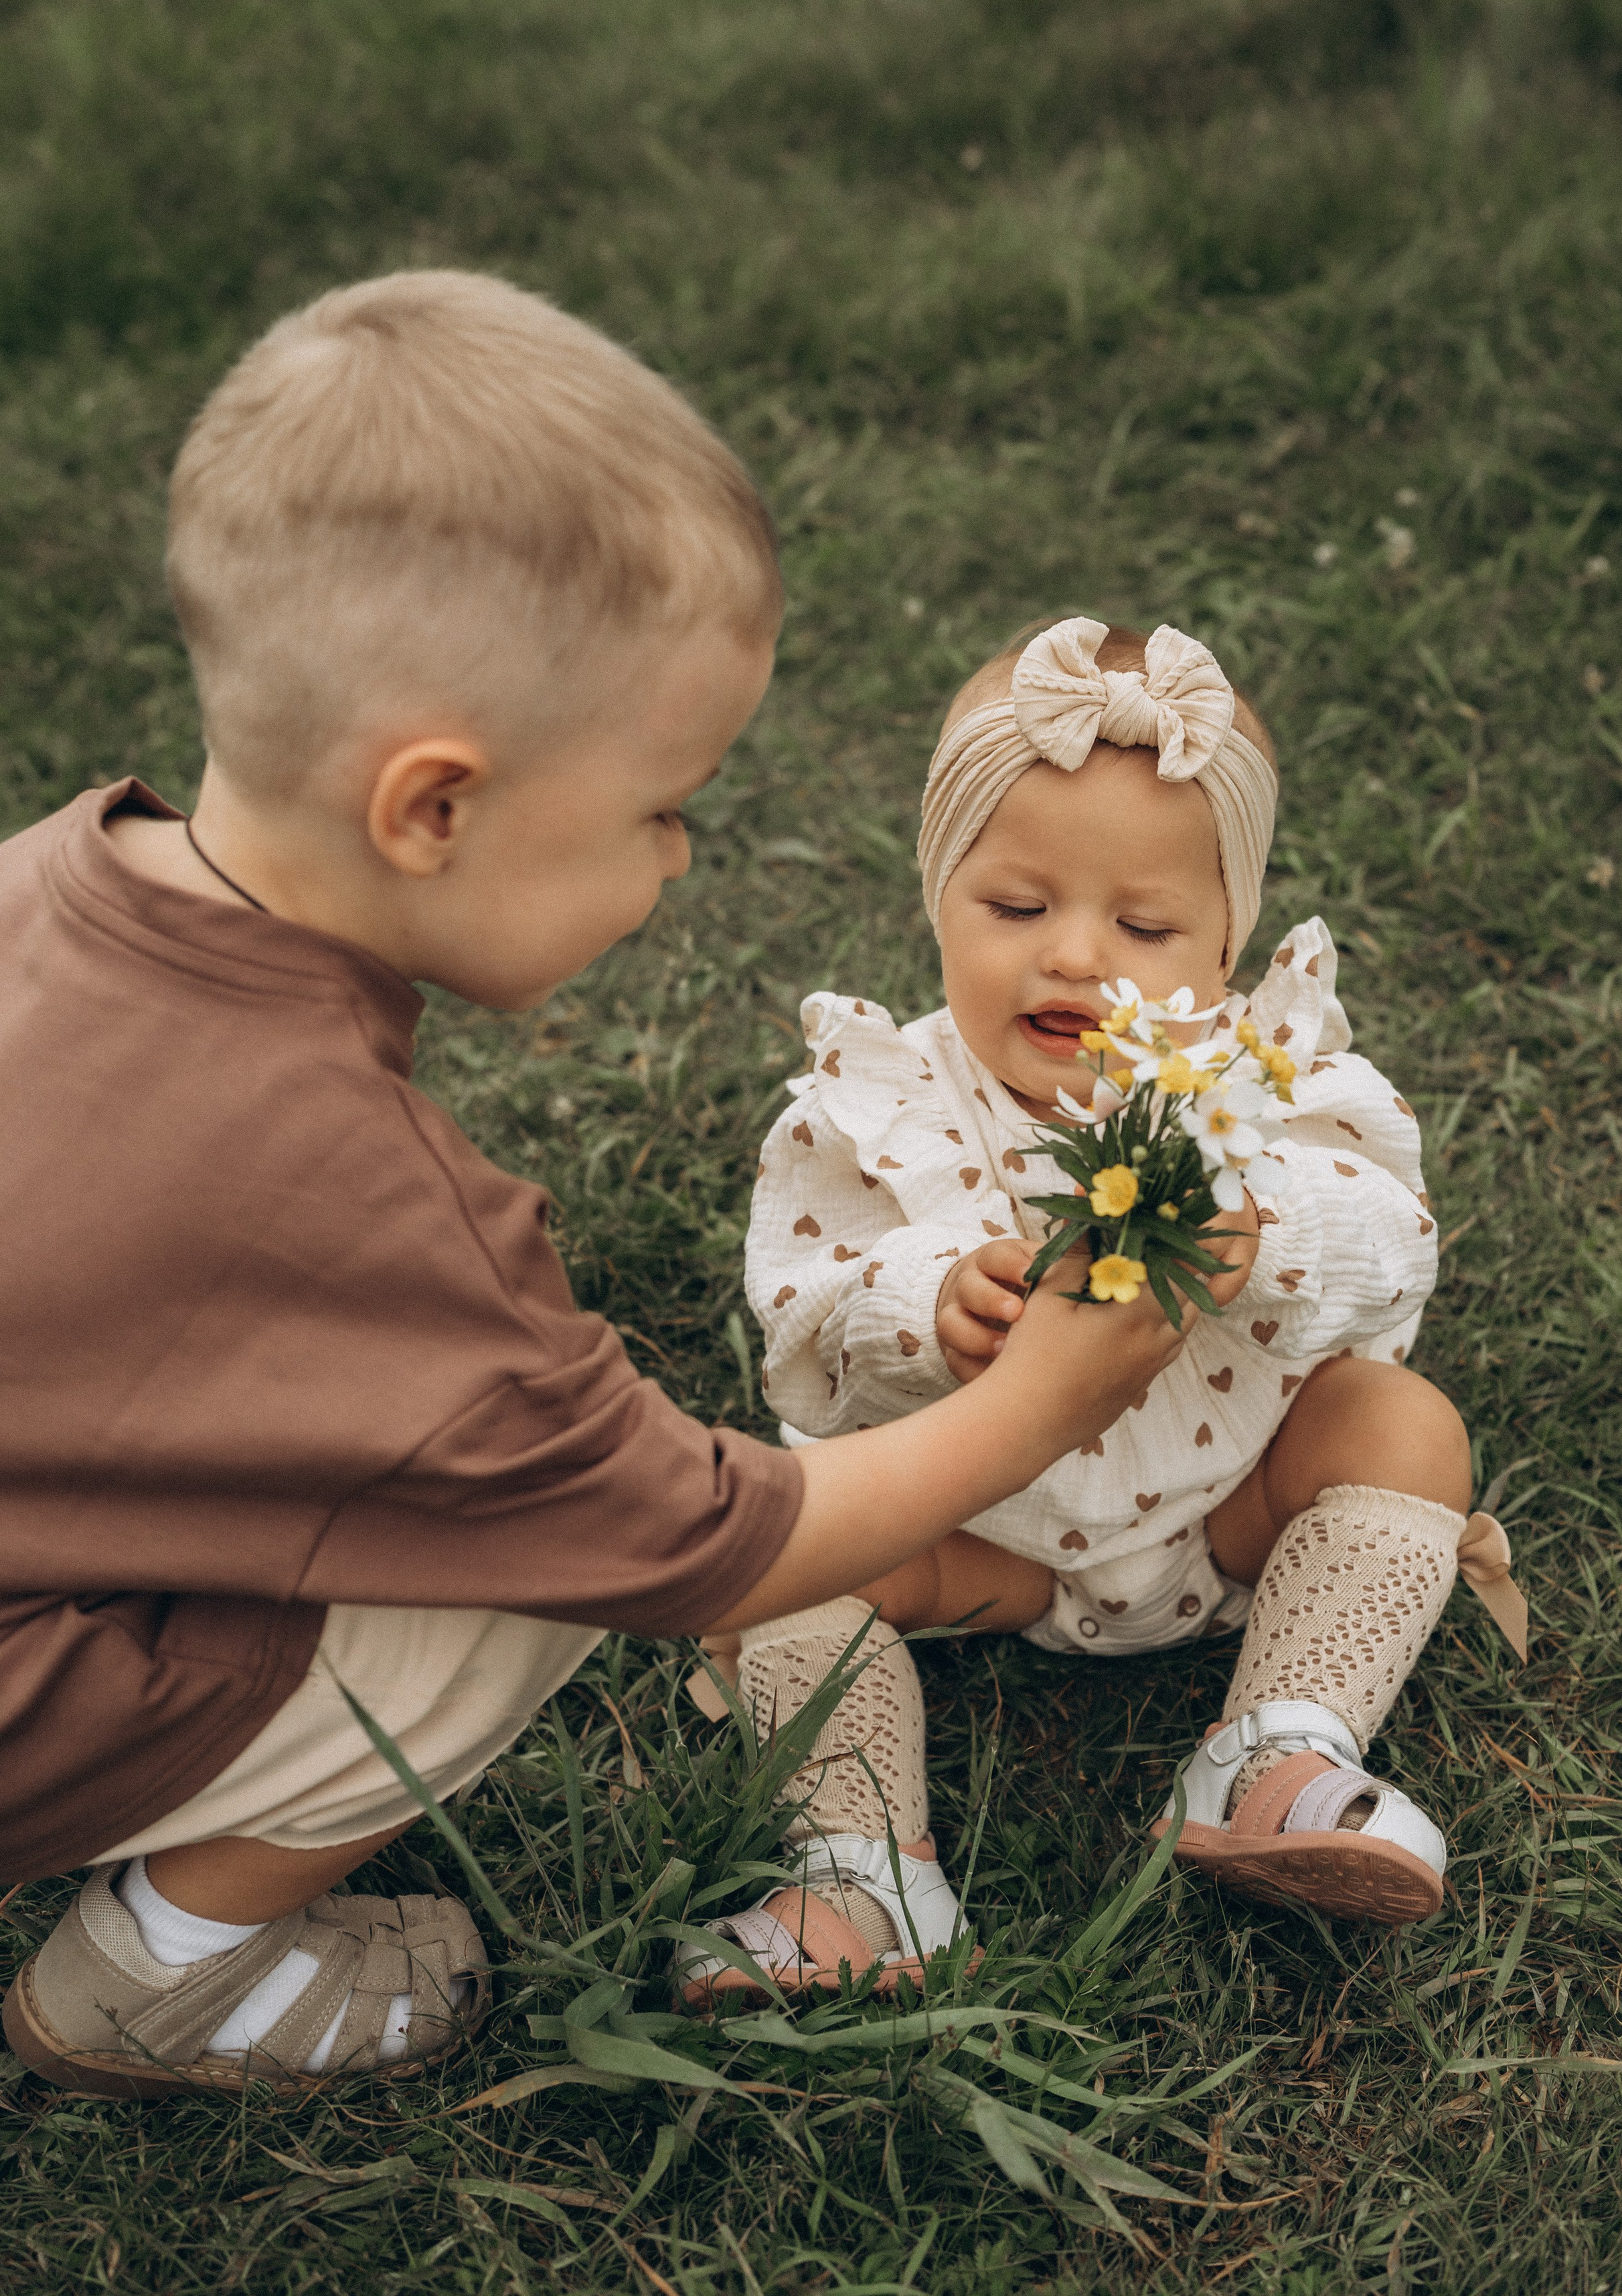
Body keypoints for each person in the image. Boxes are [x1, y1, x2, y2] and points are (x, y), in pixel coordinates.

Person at [0, 286, 1192, 2098]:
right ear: (433, 809)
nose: (682, 854)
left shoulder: (49, 881)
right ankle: (159, 1974)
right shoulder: (384, 1222)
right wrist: (1042, 1405)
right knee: (519, 1579)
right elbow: (692, 1546)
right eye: (657, 805)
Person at [728, 615, 1526, 1941]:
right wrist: (925, 1300)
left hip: (1230, 1512)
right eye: (1015, 907)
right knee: (771, 1533)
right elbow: (800, 1318)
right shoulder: (876, 1103)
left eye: (1144, 921)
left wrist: (1266, 1236)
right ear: (937, 895)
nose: (1076, 956)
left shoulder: (1263, 1090)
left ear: (1223, 945)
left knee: (1403, 1425)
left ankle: (1279, 1746)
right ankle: (857, 1870)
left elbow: (1394, 1244)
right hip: (977, 1538)